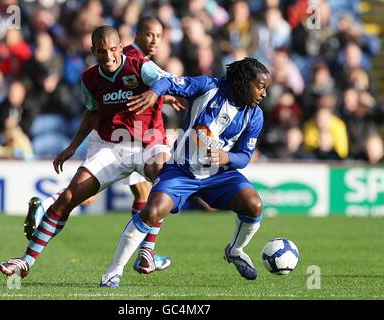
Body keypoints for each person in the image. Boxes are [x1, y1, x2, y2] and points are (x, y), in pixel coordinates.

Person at [0, 25, 173, 278]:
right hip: (110, 147)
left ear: (121, 47)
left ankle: (147, 251)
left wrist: (154, 93)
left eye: (113, 50)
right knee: (69, 198)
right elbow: (91, 113)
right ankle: (25, 262)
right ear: (93, 51)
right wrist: (71, 147)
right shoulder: (90, 78)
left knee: (161, 177)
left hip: (148, 143)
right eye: (102, 52)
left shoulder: (140, 66)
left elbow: (169, 80)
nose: (109, 56)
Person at [100, 57, 270, 288]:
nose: (264, 94)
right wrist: (153, 94)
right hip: (181, 169)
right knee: (152, 211)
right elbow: (168, 82)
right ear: (243, 82)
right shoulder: (208, 86)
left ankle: (235, 250)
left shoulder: (255, 115)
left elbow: (245, 157)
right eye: (260, 86)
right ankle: (113, 272)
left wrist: (226, 157)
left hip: (219, 175)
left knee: (254, 205)